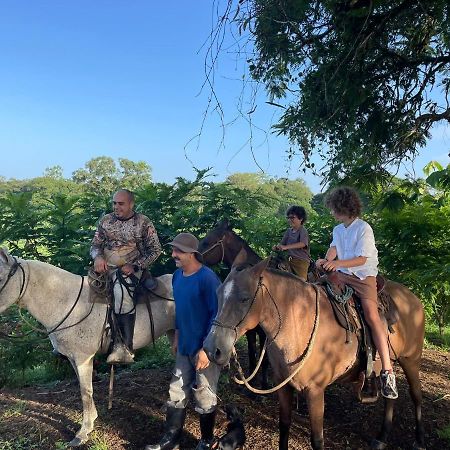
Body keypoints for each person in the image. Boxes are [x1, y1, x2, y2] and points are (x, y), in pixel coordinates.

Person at [316, 186, 398, 399]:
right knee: (317, 292)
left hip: (363, 277)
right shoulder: (338, 229)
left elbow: (362, 259)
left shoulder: (364, 228)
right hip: (342, 274)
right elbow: (333, 248)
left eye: (334, 208)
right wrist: (326, 260)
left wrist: (337, 263)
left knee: (372, 315)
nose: (332, 212)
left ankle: (387, 371)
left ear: (344, 206)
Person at [145, 232, 221, 450]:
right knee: (176, 390)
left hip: (205, 348)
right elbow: (180, 309)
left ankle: (207, 440)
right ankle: (171, 440)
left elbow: (218, 317)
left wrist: (206, 350)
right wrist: (177, 335)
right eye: (173, 250)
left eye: (178, 251)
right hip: (185, 344)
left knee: (204, 393)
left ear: (191, 253)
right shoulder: (178, 276)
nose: (173, 255)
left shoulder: (208, 279)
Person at [90, 188, 161, 364]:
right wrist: (97, 257)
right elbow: (95, 245)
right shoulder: (105, 221)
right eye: (114, 203)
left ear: (131, 204)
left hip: (132, 269)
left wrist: (136, 265)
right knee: (82, 289)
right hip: (105, 268)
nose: (116, 207)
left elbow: (155, 250)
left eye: (121, 203)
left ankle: (124, 347)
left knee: (121, 292)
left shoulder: (143, 222)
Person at [273, 205, 310, 281]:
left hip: (301, 261)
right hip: (288, 260)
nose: (290, 220)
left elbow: (303, 243)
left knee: (301, 283)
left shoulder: (302, 230)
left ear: (301, 219)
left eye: (292, 218)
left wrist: (286, 247)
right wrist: (277, 247)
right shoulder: (288, 231)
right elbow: (282, 244)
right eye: (288, 218)